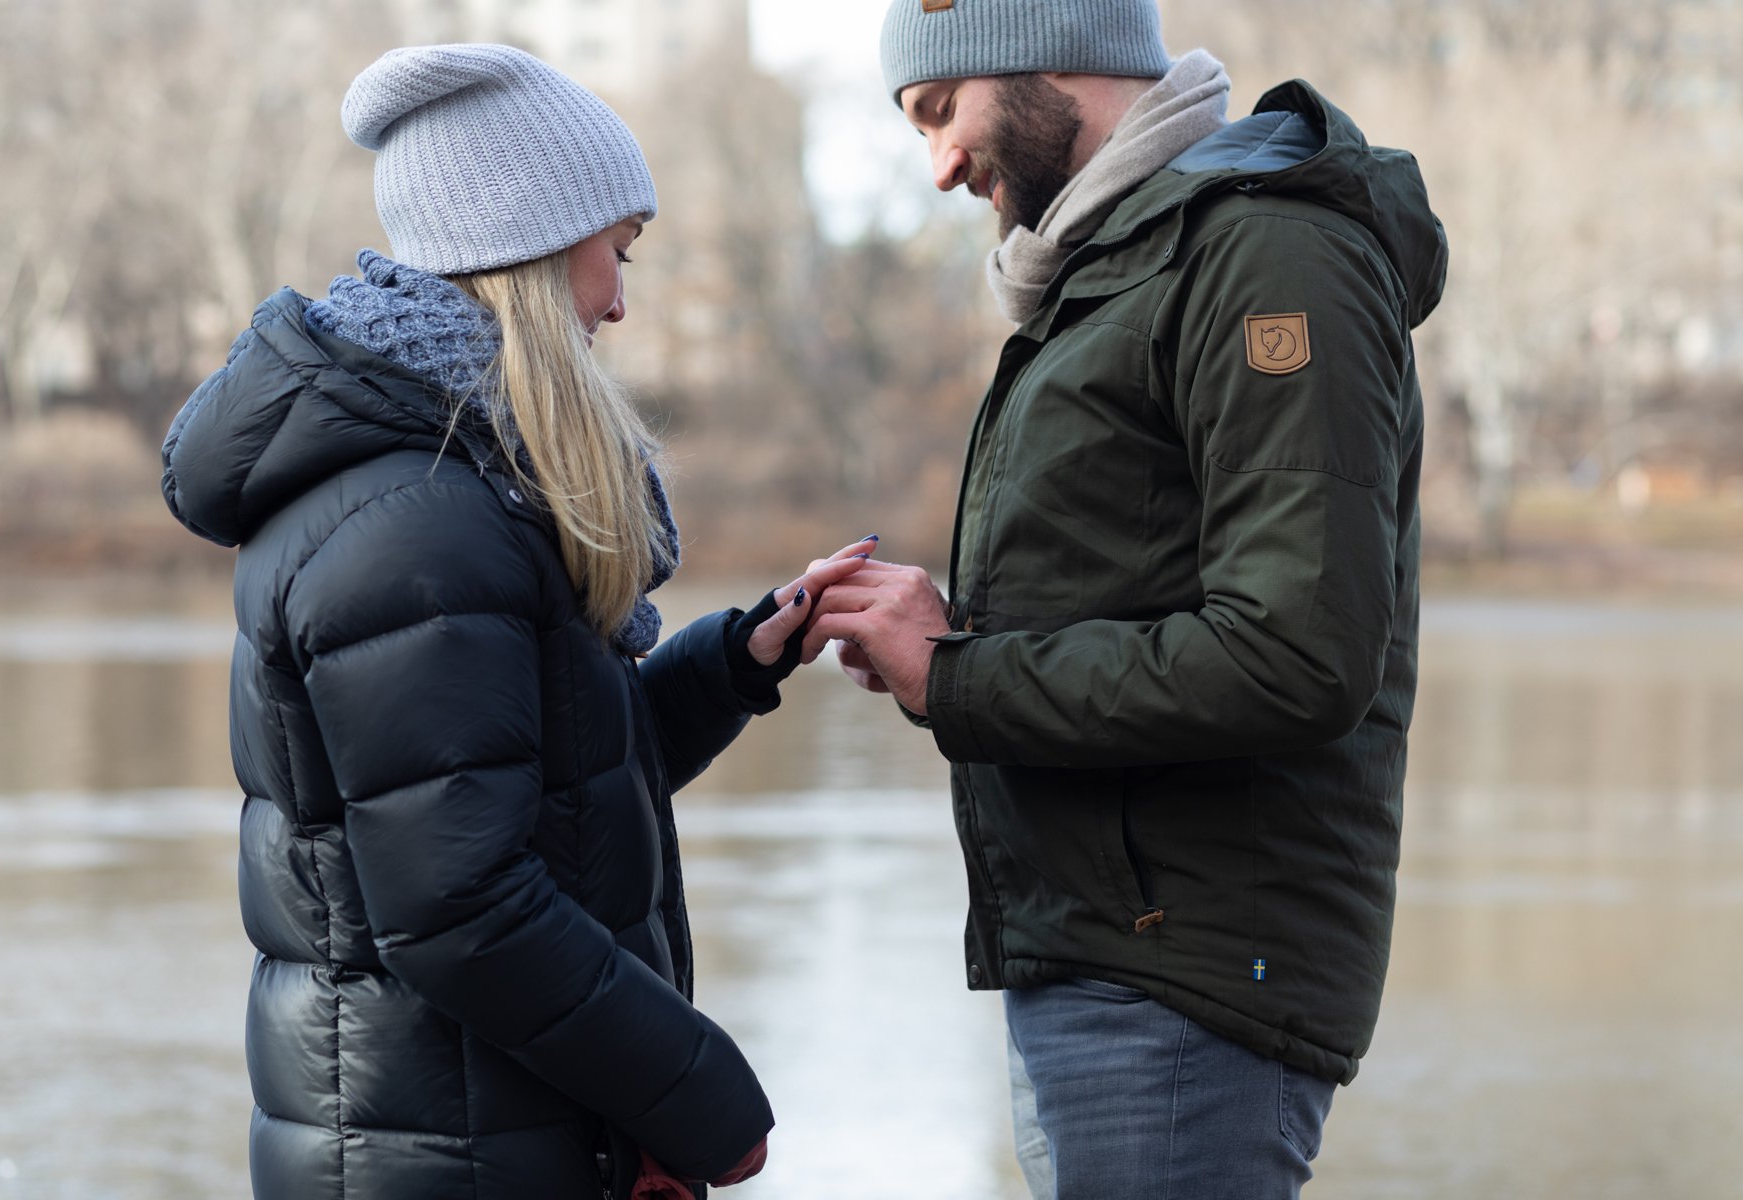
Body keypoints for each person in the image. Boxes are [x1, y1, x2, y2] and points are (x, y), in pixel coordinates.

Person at [160, 43, 866, 1200]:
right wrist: (700, 1098)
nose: (622, 301)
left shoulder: (455, 482)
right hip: (445, 1153)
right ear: (528, 254)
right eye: (616, 252)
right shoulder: (421, 521)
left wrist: (734, 663)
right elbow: (459, 906)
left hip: (475, 1134)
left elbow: (538, 792)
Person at [802, 2, 1449, 1197]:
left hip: (1184, 983)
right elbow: (1141, 583)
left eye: (943, 111)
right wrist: (939, 644)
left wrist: (958, 676)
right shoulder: (1119, 268)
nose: (938, 164)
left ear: (1055, 49)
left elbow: (1295, 652)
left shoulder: (1266, 257)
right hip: (1104, 960)